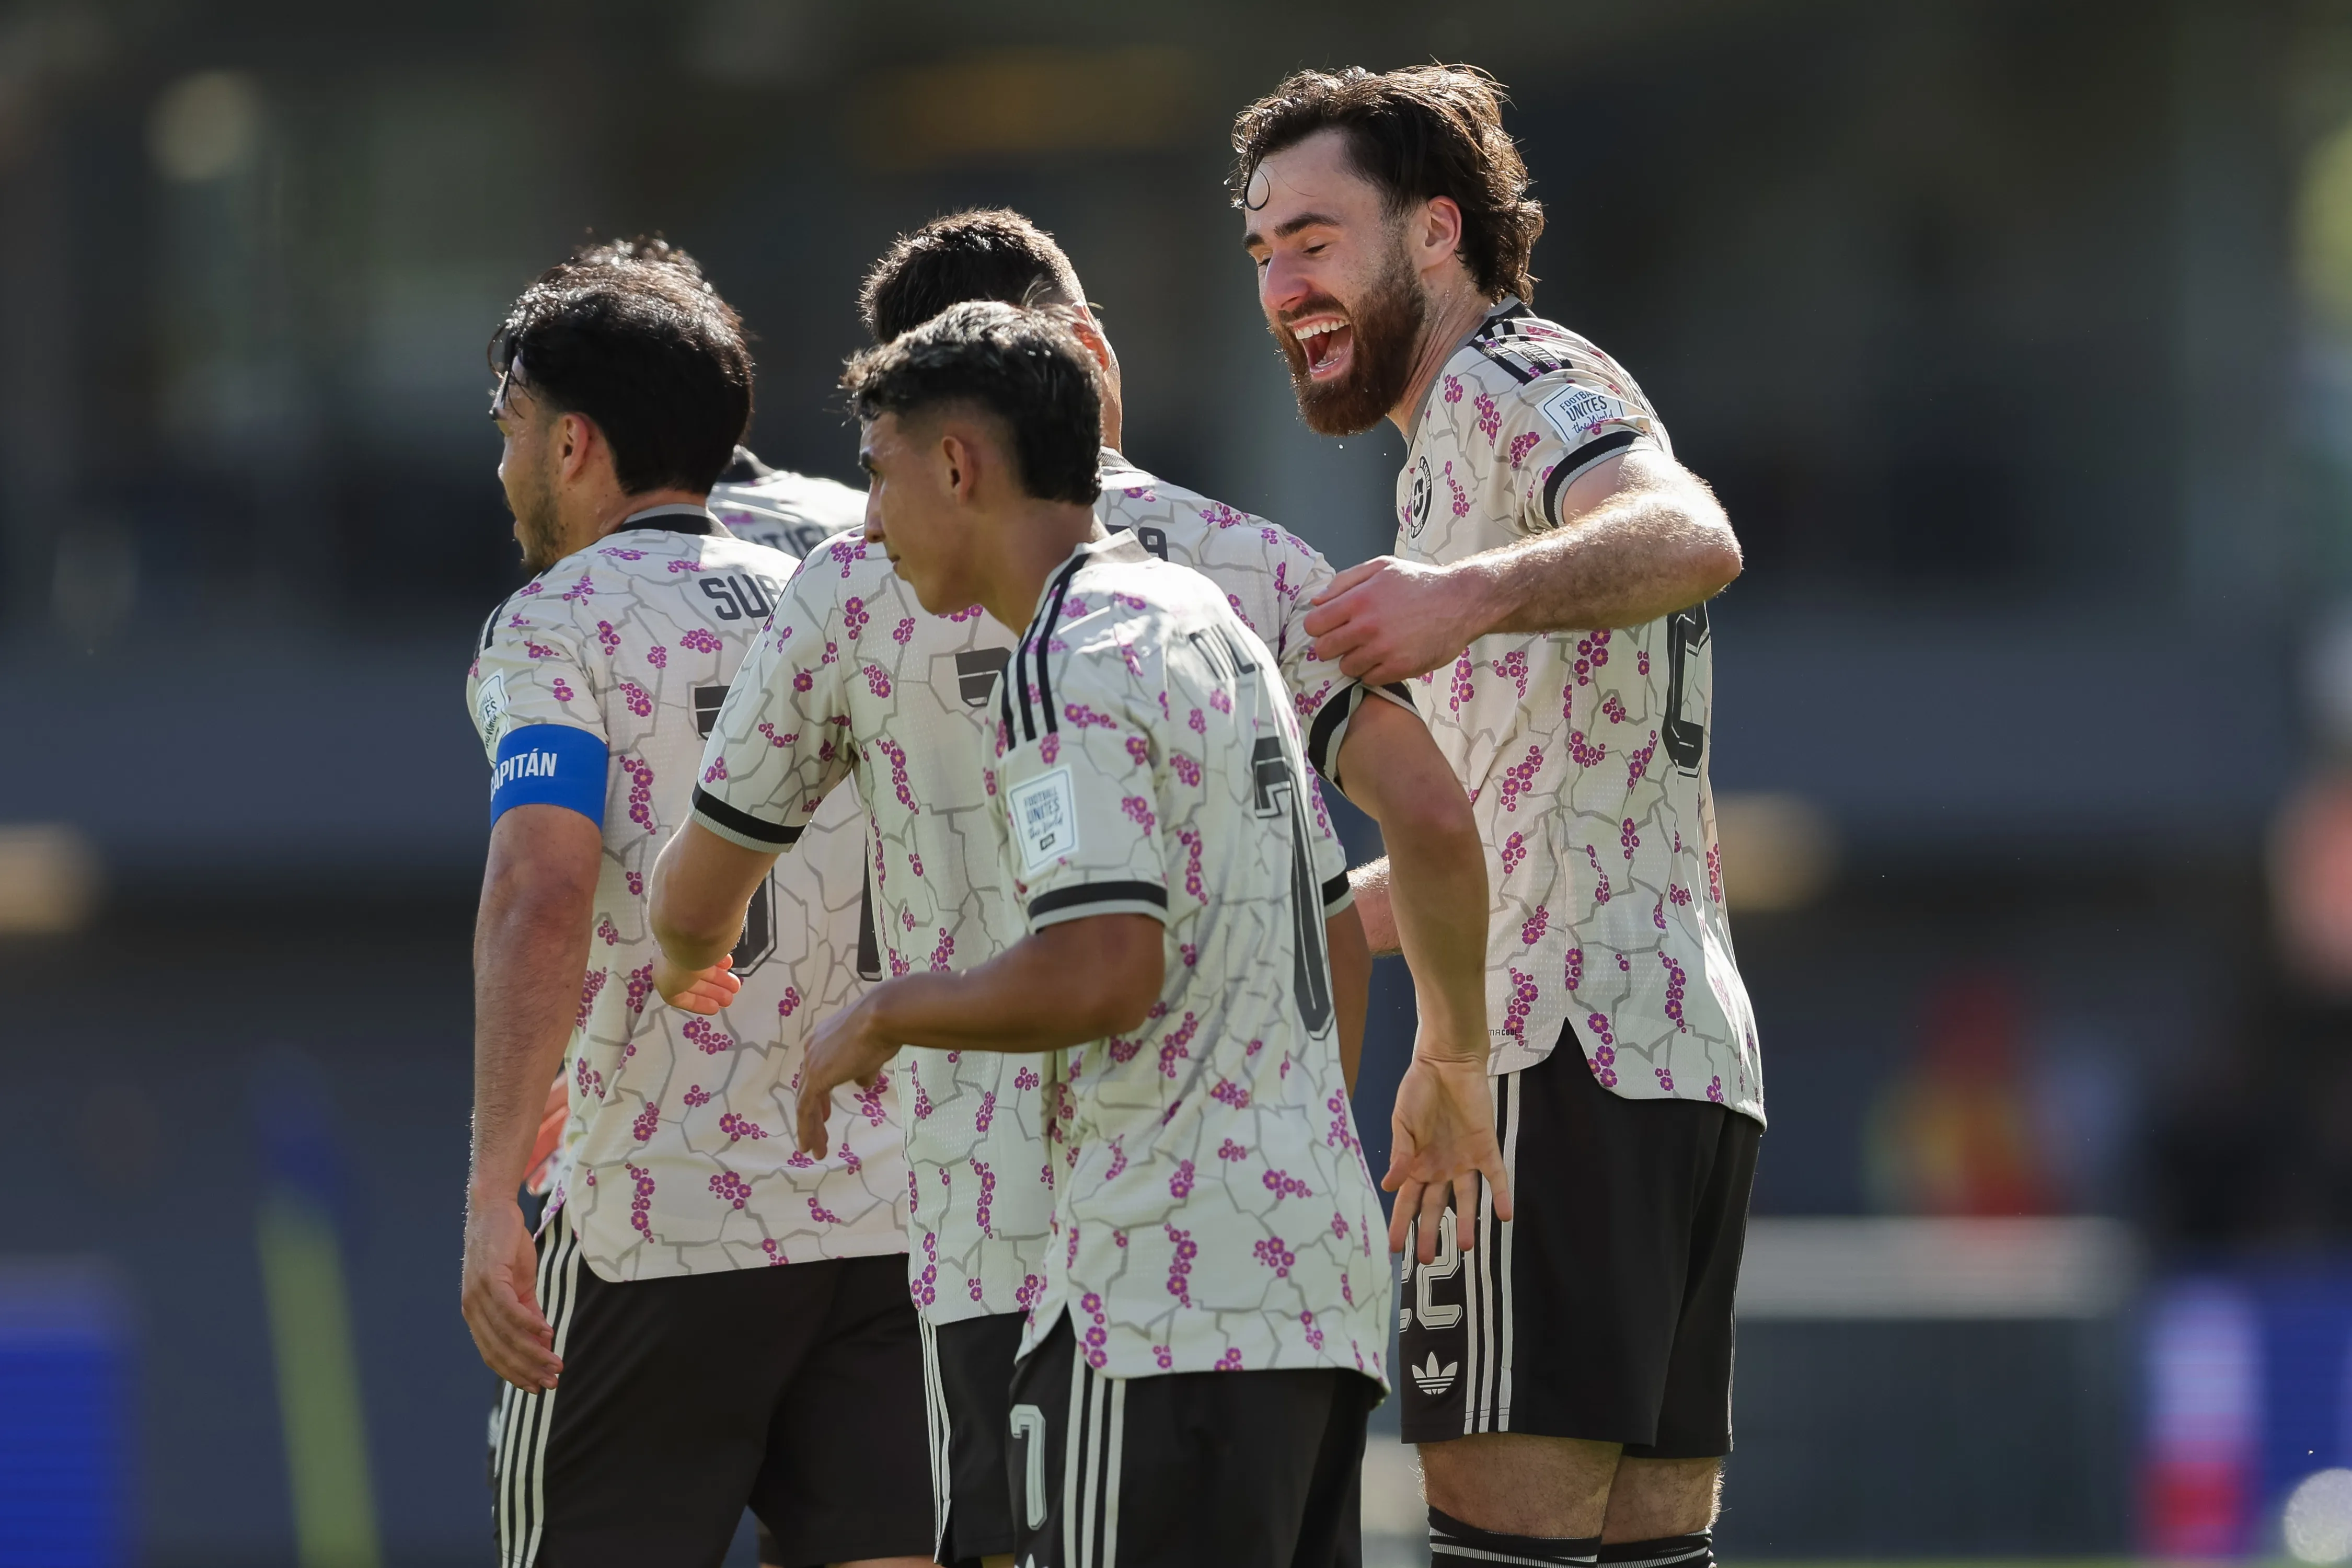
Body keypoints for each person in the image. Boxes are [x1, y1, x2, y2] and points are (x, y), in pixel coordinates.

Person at [649, 209, 1503, 1567]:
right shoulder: (1219, 597)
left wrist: (873, 1013)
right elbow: (1364, 885)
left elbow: (1104, 963)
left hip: (1093, 1268)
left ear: (954, 454)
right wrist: (1363, 1093)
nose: (865, 517)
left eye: (876, 474)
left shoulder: (1017, 635)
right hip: (1299, 1261)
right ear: (1084, 355)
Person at [1234, 66, 1763, 1568]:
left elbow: (1692, 528)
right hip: (1672, 1054)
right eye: (1263, 251)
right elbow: (1508, 830)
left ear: (1437, 234)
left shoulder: (1512, 381)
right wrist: (1320, 923)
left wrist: (1462, 596)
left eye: (1316, 238)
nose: (1283, 284)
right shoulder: (1455, 455)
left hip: (1548, 1064)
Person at [459, 236, 931, 1568]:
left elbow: (540, 888)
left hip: (659, 1220)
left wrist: (496, 1191)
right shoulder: (848, 599)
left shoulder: (557, 622)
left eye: (510, 429)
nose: (501, 468)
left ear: (572, 446)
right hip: (876, 1217)